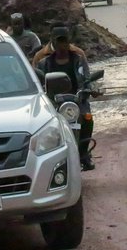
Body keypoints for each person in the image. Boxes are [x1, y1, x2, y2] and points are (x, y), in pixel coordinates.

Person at [35, 26, 96, 170]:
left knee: (87, 118)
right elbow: (39, 83)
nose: (62, 45)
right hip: (53, 102)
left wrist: (89, 89)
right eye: (59, 41)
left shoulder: (78, 59)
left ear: (69, 42)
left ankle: (83, 153)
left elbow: (86, 78)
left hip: (76, 101)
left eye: (65, 41)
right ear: (53, 43)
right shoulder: (44, 62)